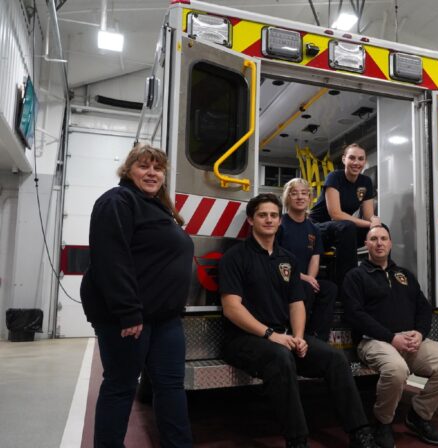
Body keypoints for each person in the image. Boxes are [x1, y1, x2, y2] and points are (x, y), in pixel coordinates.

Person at [217, 193, 379, 448]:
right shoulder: (235, 257)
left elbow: (297, 303)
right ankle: (297, 439)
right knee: (280, 357)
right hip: (244, 339)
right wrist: (272, 335)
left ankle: (360, 432)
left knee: (334, 358)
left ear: (279, 221)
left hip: (284, 336)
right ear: (251, 220)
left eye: (273, 215)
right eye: (262, 215)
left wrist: (300, 337)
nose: (269, 220)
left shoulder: (288, 260)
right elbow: (231, 308)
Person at [80, 143, 193, 448]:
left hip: (165, 318)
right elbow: (110, 259)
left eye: (157, 168)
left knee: (171, 386)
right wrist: (128, 311)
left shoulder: (159, 208)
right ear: (128, 170)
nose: (151, 172)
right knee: (121, 386)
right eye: (144, 166)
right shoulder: (118, 201)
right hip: (130, 318)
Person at [343, 224, 438, 448]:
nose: (379, 243)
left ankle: (418, 416)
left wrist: (419, 333)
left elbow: (423, 308)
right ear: (366, 245)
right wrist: (390, 337)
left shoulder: (404, 275)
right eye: (374, 239)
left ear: (390, 243)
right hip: (374, 341)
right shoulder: (356, 276)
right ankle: (382, 423)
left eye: (384, 238)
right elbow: (355, 315)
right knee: (396, 370)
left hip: (411, 340)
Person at [309, 143, 380, 287]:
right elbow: (335, 214)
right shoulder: (334, 177)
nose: (356, 162)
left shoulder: (365, 181)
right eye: (352, 158)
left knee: (382, 229)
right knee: (348, 227)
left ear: (364, 161)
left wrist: (375, 221)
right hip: (317, 229)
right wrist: (369, 224)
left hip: (342, 229)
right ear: (344, 160)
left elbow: (368, 215)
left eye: (360, 159)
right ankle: (348, 285)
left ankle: (380, 277)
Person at [278, 178, 338, 341]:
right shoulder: (279, 224)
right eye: (294, 193)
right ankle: (300, 335)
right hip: (283, 277)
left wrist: (311, 277)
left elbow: (315, 257)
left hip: (305, 279)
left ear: (310, 198)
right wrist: (303, 278)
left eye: (304, 193)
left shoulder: (313, 228)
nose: (300, 197)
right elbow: (275, 257)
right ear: (287, 198)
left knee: (329, 288)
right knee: (305, 287)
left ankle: (318, 337)